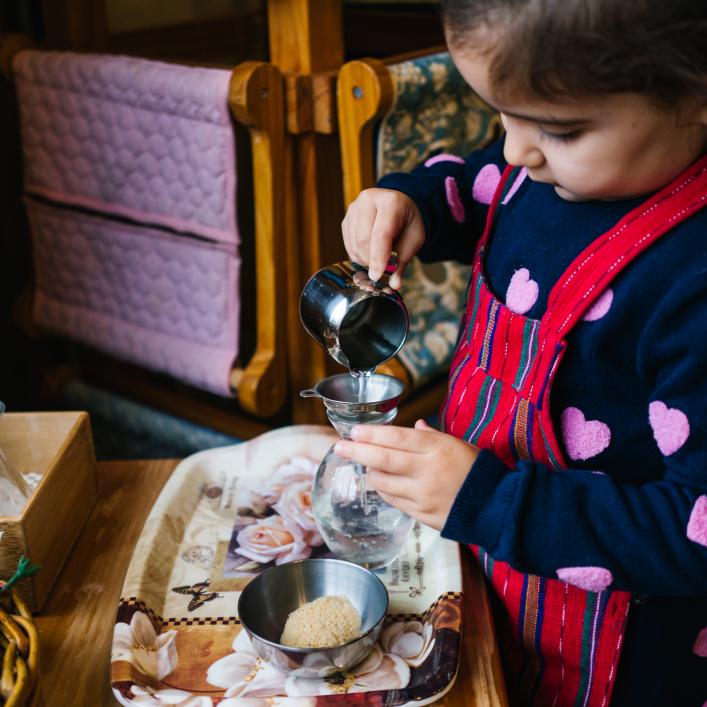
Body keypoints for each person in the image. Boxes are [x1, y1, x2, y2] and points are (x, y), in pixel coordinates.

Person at [332, 1, 707, 704]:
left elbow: (694, 531)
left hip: (622, 660)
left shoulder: (691, 283)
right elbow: (480, 184)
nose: (513, 152)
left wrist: (494, 500)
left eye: (558, 130)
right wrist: (411, 200)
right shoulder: (539, 166)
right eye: (499, 114)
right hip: (490, 571)